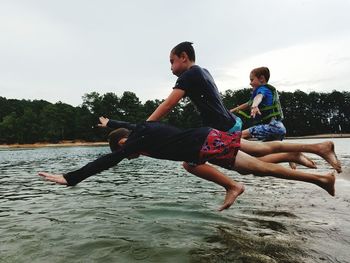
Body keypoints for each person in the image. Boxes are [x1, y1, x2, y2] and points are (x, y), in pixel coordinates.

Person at [38, 117, 341, 211]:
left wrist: (71, 177)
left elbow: (108, 159)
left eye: (124, 149)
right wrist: (109, 123)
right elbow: (124, 126)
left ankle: (321, 178)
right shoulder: (140, 130)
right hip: (205, 138)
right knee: (262, 151)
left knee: (257, 166)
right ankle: (317, 147)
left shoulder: (132, 142)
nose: (128, 154)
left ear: (123, 143)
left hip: (205, 144)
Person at [147, 41, 243, 184]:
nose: (170, 67)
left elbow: (168, 104)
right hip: (232, 122)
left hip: (222, 128)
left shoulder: (189, 75)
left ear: (184, 57)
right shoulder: (204, 72)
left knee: (190, 163)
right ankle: (288, 155)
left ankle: (232, 186)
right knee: (255, 158)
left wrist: (145, 126)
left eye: (172, 62)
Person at [230, 67, 286, 142]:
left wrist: (255, 106)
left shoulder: (262, 89)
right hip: (276, 128)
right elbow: (247, 104)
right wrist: (231, 111)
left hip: (274, 127)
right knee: (266, 147)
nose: (250, 83)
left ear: (261, 79)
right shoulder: (264, 90)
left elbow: (259, 97)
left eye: (252, 80)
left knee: (239, 136)